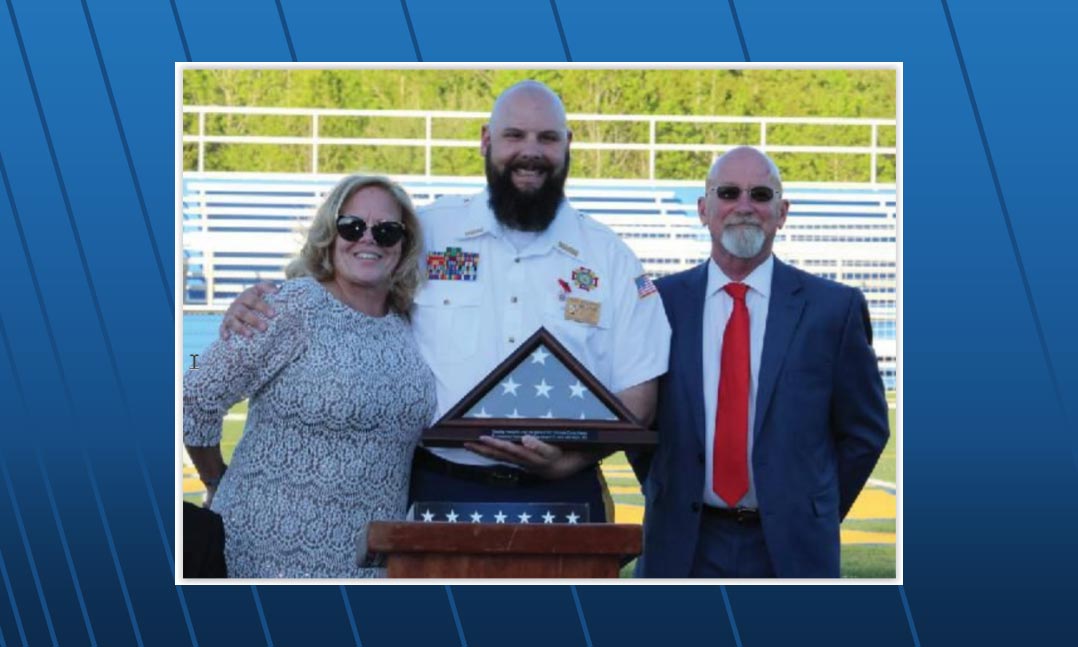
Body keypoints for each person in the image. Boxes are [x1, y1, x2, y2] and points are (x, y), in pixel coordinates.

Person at [221, 80, 671, 523]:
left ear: (568, 145)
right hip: (435, 485)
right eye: (514, 135)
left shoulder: (609, 257)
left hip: (567, 491)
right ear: (485, 140)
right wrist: (264, 302)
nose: (530, 151)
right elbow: (342, 291)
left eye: (547, 138)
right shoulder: (425, 233)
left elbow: (639, 391)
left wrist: (567, 462)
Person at [632, 147, 889, 578]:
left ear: (782, 212)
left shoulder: (833, 309)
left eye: (761, 194)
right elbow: (640, 421)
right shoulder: (659, 304)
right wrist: (671, 491)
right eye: (729, 192)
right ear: (703, 209)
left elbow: (864, 431)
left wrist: (809, 510)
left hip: (792, 551)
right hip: (681, 544)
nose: (745, 206)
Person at [184, 175, 436, 578]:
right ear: (330, 235)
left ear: (403, 246)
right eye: (352, 226)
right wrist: (214, 477)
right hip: (263, 558)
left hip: (368, 566)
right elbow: (194, 385)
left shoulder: (410, 322)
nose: (368, 239)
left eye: (387, 231)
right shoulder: (290, 305)